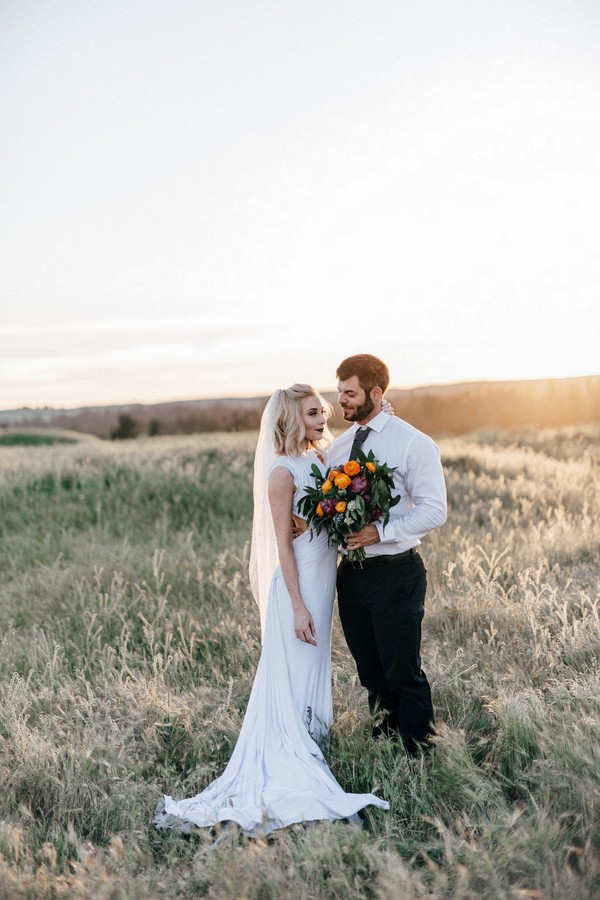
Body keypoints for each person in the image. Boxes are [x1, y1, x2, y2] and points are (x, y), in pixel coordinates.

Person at [154, 384, 388, 836]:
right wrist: (298, 607)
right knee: (291, 669)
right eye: (313, 413)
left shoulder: (320, 461)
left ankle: (312, 741)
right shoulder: (282, 472)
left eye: (323, 411)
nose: (323, 419)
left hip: (323, 582)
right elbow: (283, 545)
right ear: (290, 418)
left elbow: (333, 505)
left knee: (313, 667)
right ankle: (290, 754)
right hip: (296, 588)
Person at [328, 355, 447, 756]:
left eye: (350, 393)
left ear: (376, 394)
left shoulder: (412, 442)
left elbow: (434, 510)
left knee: (402, 670)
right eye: (339, 391)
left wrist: (380, 531)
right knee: (370, 670)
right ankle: (387, 741)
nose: (340, 401)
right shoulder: (339, 447)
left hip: (397, 572)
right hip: (352, 575)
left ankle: (419, 752)